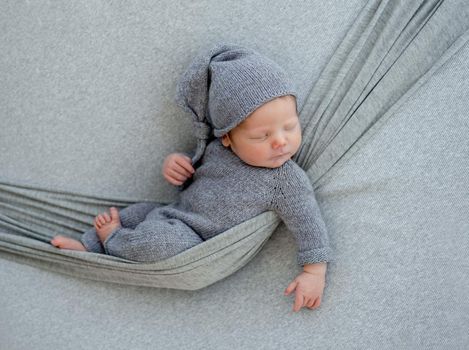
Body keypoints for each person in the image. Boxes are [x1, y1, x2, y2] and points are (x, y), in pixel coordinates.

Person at [51, 43, 333, 312]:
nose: (281, 142)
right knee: (135, 213)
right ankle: (88, 245)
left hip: (196, 244)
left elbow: (308, 221)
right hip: (173, 213)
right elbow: (192, 178)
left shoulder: (284, 180)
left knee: (159, 244)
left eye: (290, 126)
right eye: (262, 136)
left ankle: (112, 240)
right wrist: (176, 165)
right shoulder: (215, 150)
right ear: (227, 138)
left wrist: (314, 271)